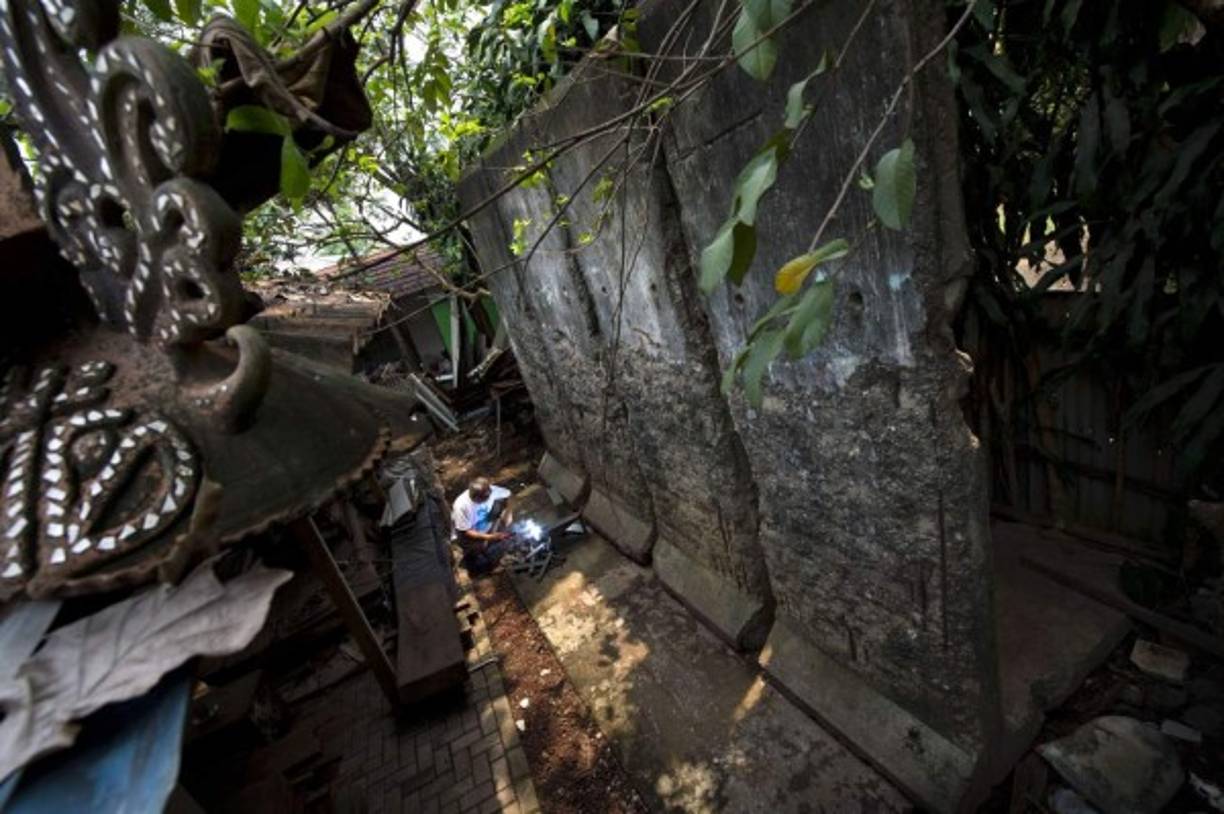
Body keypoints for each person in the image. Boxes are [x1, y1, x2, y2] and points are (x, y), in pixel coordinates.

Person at [452, 477, 512, 574]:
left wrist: (508, 513)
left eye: (488, 496)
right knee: (474, 551)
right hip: (468, 533)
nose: (488, 499)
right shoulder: (461, 506)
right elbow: (466, 531)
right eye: (484, 499)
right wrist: (489, 537)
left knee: (485, 547)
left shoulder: (489, 490)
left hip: (484, 527)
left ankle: (489, 560)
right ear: (475, 497)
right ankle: (476, 568)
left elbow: (509, 495)